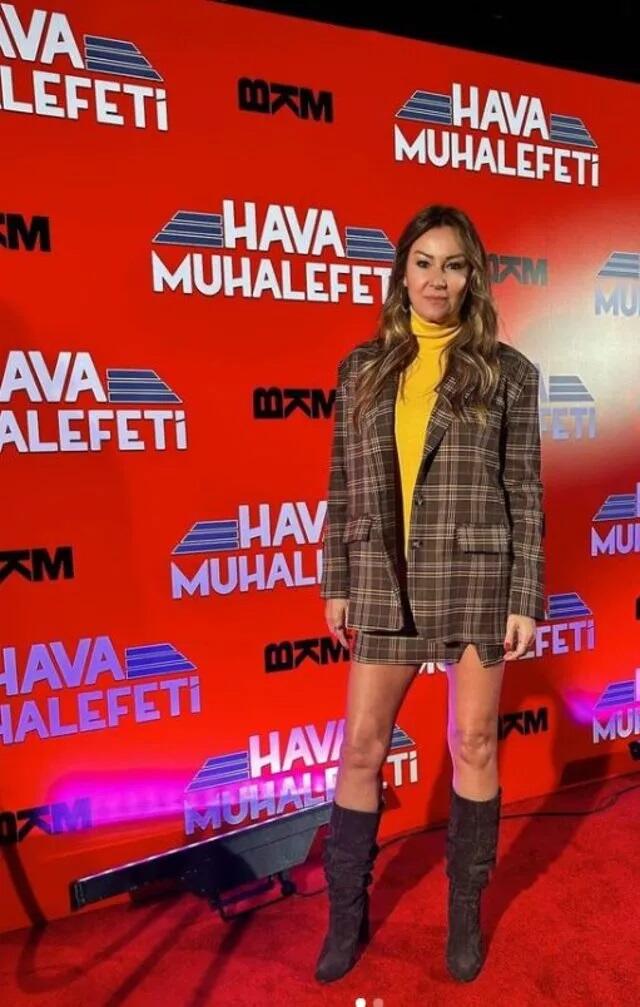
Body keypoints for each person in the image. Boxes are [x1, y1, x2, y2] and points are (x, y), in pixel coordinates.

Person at [315, 204, 545, 984]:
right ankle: (345, 916)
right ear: (402, 274)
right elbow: (342, 483)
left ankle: (464, 916)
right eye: (423, 262)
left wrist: (525, 594)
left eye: (452, 264)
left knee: (474, 743)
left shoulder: (509, 373)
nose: (436, 279)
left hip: (476, 577)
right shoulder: (361, 367)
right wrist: (338, 580)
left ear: (472, 276)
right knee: (360, 748)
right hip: (386, 580)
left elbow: (525, 491)